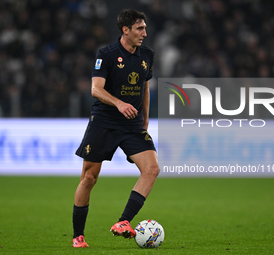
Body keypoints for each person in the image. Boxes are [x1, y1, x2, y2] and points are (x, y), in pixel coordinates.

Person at [72, 9, 159, 248]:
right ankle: (78, 236)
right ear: (126, 30)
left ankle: (123, 222)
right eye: (140, 28)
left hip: (132, 123)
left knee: (152, 169)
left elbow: (145, 88)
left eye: (145, 28)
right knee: (89, 178)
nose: (145, 33)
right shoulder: (107, 54)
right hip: (104, 121)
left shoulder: (147, 55)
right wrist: (119, 103)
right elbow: (95, 89)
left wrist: (145, 120)